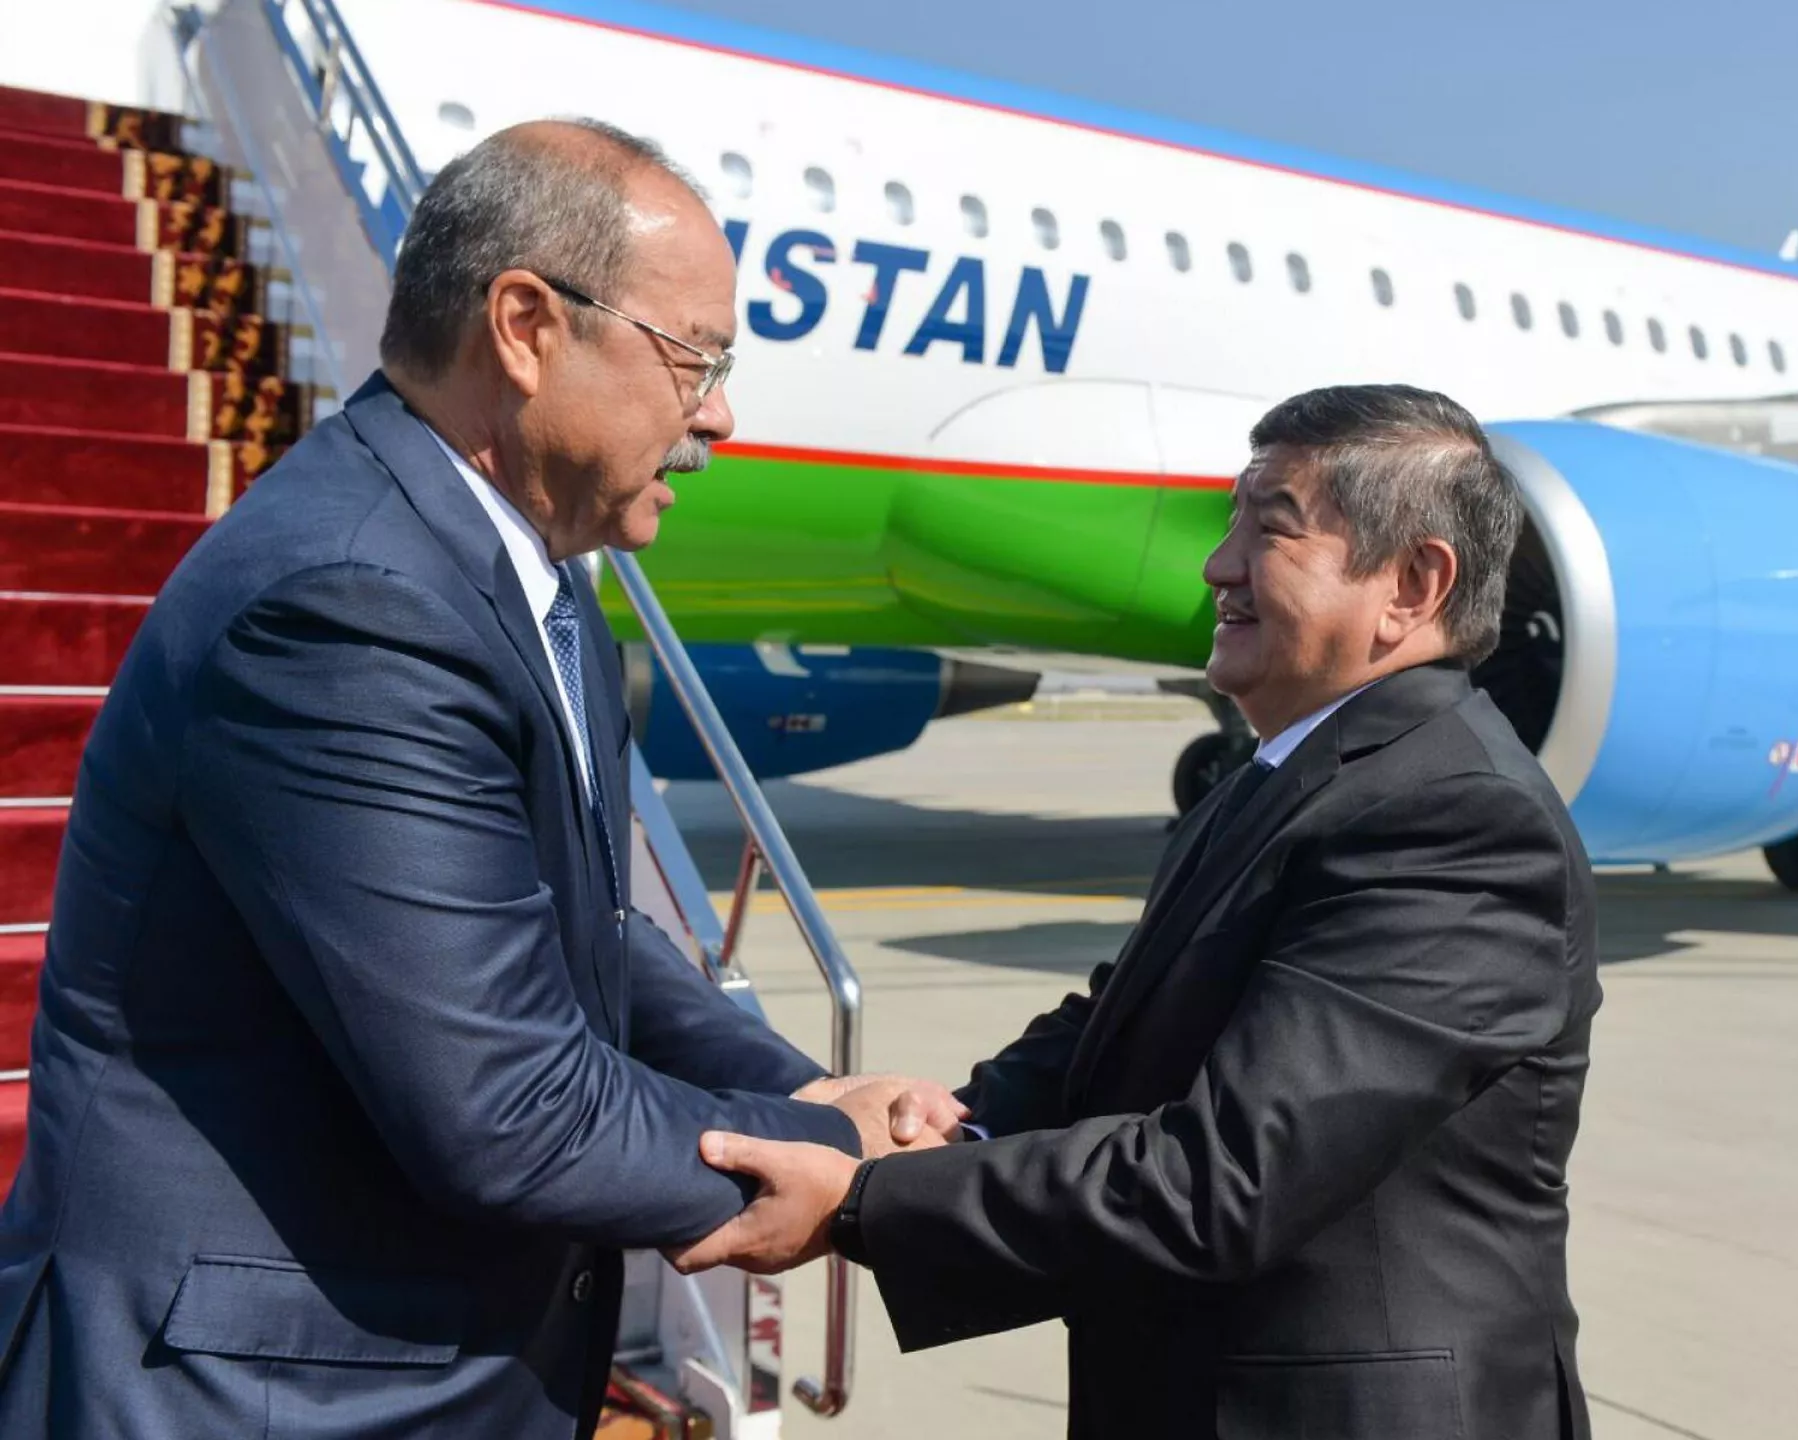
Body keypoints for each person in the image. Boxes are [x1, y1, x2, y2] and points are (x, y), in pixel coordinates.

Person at [0, 120, 957, 1440]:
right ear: (525, 327)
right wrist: (843, 1159)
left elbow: (581, 935)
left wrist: (801, 1092)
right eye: (695, 359)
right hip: (261, 1395)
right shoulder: (352, 604)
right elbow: (507, 1105)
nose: (719, 415)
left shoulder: (528, 586)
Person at [671, 384, 1605, 1440]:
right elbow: (1127, 1020)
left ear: (1412, 584)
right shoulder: (1295, 775)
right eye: (1230, 523)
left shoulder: (1453, 817)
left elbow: (1228, 1178)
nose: (1217, 567)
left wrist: (862, 1202)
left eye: (1271, 531)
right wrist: (960, 1120)